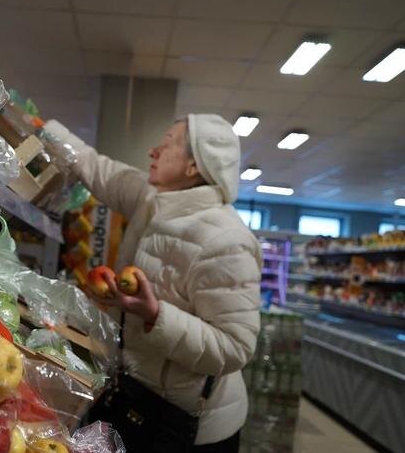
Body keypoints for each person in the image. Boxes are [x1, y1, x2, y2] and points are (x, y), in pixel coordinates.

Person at [45, 115, 262, 452]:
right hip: (133, 396)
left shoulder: (226, 241)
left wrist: (155, 315)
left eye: (168, 143)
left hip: (187, 426)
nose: (153, 151)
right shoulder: (152, 199)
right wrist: (44, 128)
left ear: (194, 165)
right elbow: (97, 167)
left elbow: (236, 347)